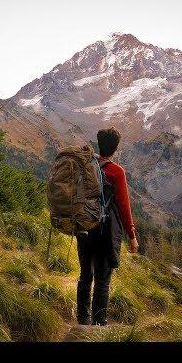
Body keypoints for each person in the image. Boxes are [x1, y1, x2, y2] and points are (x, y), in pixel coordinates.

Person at [76, 126, 139, 326]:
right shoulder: (116, 171)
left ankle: (82, 321)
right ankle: (99, 324)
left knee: (85, 274)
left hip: (84, 227)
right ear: (115, 148)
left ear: (98, 143)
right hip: (104, 231)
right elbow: (123, 206)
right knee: (103, 279)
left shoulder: (86, 165)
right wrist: (132, 235)